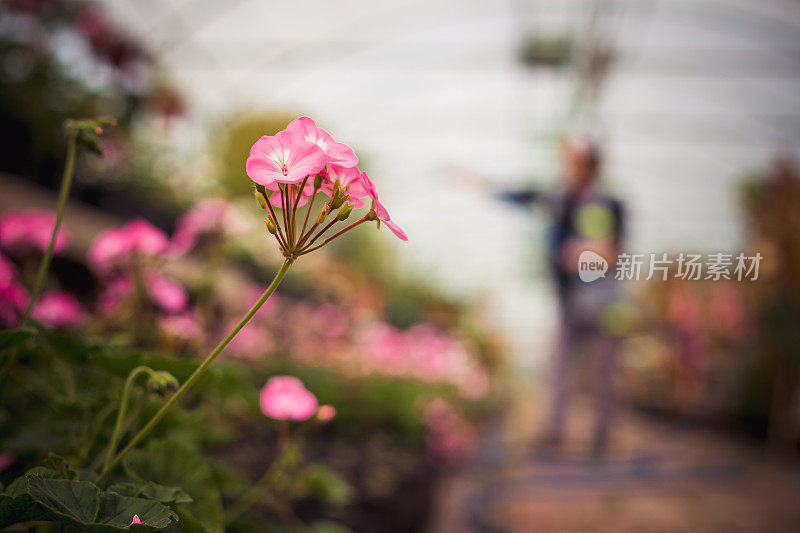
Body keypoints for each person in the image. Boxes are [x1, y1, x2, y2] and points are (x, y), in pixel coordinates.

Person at [500, 133, 626, 456]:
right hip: (571, 301)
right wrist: (477, 183)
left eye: (574, 161)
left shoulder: (608, 203)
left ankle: (602, 437)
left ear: (589, 164)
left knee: (603, 372)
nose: (569, 167)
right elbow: (523, 197)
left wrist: (579, 252)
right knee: (559, 368)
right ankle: (555, 433)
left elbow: (614, 251)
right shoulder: (562, 200)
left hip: (605, 302)